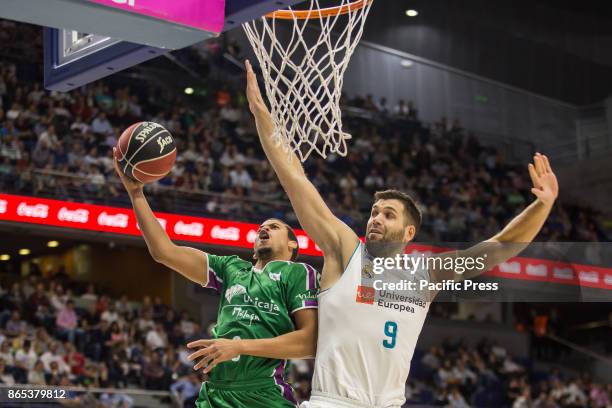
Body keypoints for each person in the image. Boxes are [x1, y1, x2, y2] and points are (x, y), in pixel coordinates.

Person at [244, 59, 559, 408]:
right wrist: (262, 117)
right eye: (374, 212)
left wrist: (541, 206)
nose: (376, 219)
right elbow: (295, 181)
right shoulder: (346, 251)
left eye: (388, 215)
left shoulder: (425, 274)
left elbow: (499, 247)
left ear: (409, 231)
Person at [112, 152, 319, 408]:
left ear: (292, 245)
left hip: (263, 395)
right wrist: (136, 194)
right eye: (260, 229)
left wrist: (239, 347)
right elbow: (164, 252)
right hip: (214, 395)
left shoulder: (299, 273)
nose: (263, 229)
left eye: (274, 227)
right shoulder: (231, 267)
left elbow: (309, 342)